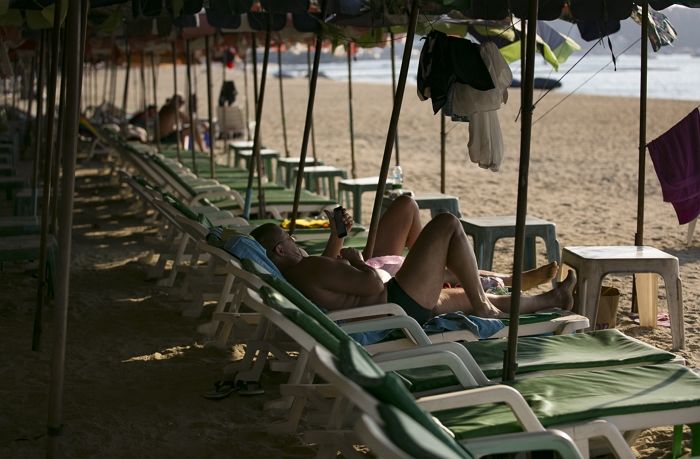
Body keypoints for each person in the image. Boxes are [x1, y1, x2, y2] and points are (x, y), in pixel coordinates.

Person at [250, 196, 575, 323]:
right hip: (398, 301)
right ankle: (482, 305)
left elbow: (330, 276)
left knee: (472, 292)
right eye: (289, 240)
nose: (295, 243)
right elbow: (369, 281)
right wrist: (357, 259)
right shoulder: (306, 268)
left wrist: (339, 238)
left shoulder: (301, 275)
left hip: (400, 304)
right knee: (447, 223)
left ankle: (553, 297)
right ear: (280, 251)